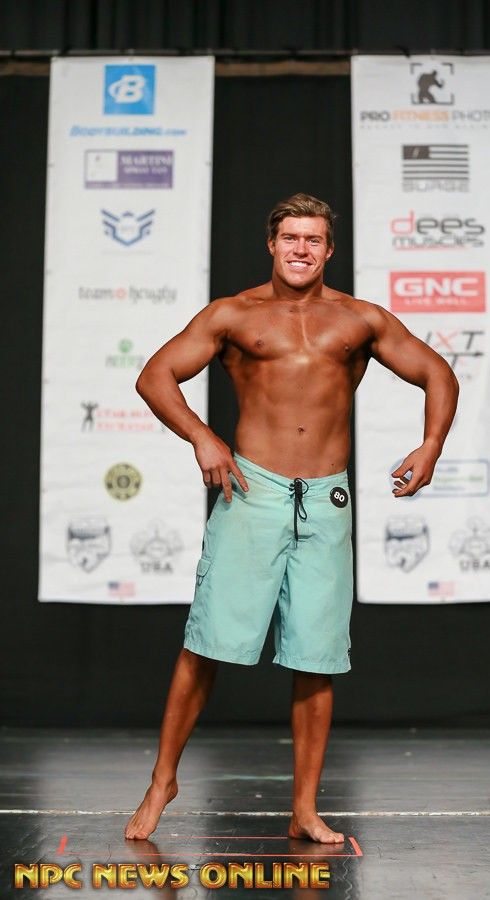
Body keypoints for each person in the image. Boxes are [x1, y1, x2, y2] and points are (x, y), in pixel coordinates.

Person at [124, 193, 459, 843]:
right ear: (271, 245)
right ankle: (163, 780)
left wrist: (432, 444)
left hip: (326, 499)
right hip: (254, 491)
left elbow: (437, 372)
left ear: (329, 250)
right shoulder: (233, 314)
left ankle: (304, 808)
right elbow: (156, 375)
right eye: (290, 238)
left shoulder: (359, 319)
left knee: (316, 655)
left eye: (313, 239)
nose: (300, 249)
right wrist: (202, 436)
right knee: (206, 643)